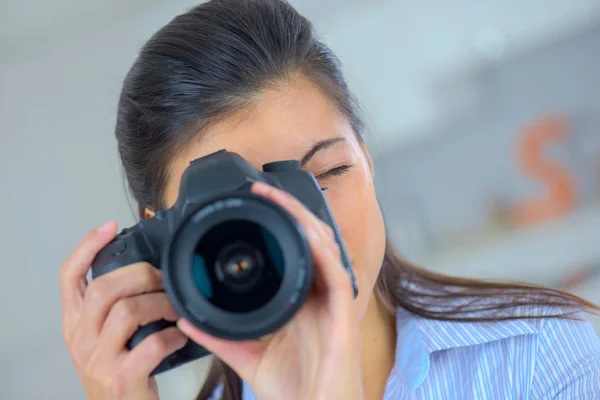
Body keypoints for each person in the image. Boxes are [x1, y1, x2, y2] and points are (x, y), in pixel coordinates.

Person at [58, 0, 600, 399]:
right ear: (164, 246)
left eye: (328, 171)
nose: (306, 230)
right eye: (241, 215)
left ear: (366, 156)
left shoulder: (542, 361)